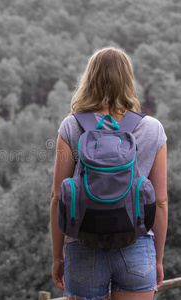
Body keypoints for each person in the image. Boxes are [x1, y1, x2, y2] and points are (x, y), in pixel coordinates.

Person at [50, 47, 168, 300]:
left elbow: (57, 196)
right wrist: (157, 258)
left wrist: (57, 256)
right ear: (128, 79)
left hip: (82, 244)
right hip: (136, 244)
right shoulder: (153, 129)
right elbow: (160, 201)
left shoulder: (72, 125)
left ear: (88, 79)